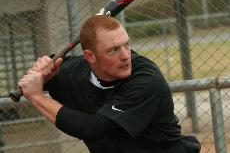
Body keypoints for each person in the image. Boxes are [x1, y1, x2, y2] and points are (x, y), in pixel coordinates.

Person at [18, 15, 201, 153]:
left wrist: (36, 96)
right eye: (113, 50)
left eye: (126, 45)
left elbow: (93, 129)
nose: (125, 55)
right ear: (90, 56)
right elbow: (45, 73)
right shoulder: (71, 72)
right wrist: (43, 75)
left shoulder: (145, 80)